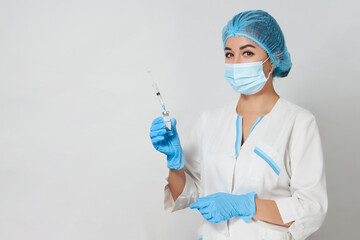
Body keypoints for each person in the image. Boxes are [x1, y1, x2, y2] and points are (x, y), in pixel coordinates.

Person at [149, 9, 328, 240]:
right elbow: (186, 196)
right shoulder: (209, 121)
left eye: (247, 53)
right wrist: (174, 163)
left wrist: (246, 205)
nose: (236, 63)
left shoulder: (299, 123)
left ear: (272, 58)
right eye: (229, 54)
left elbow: (312, 209)